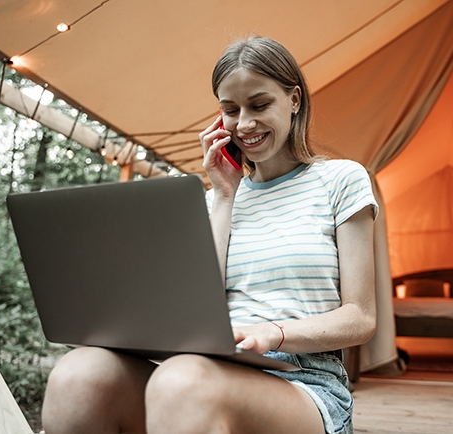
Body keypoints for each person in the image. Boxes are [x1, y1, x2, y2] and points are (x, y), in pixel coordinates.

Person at [41, 36, 378, 434]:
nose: (244, 124)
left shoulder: (340, 179)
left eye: (260, 104)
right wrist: (223, 194)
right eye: (230, 110)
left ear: (295, 100)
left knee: (182, 380)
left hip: (305, 380)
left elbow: (361, 317)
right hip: (207, 366)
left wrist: (273, 332)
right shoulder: (213, 200)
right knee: (80, 373)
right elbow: (196, 308)